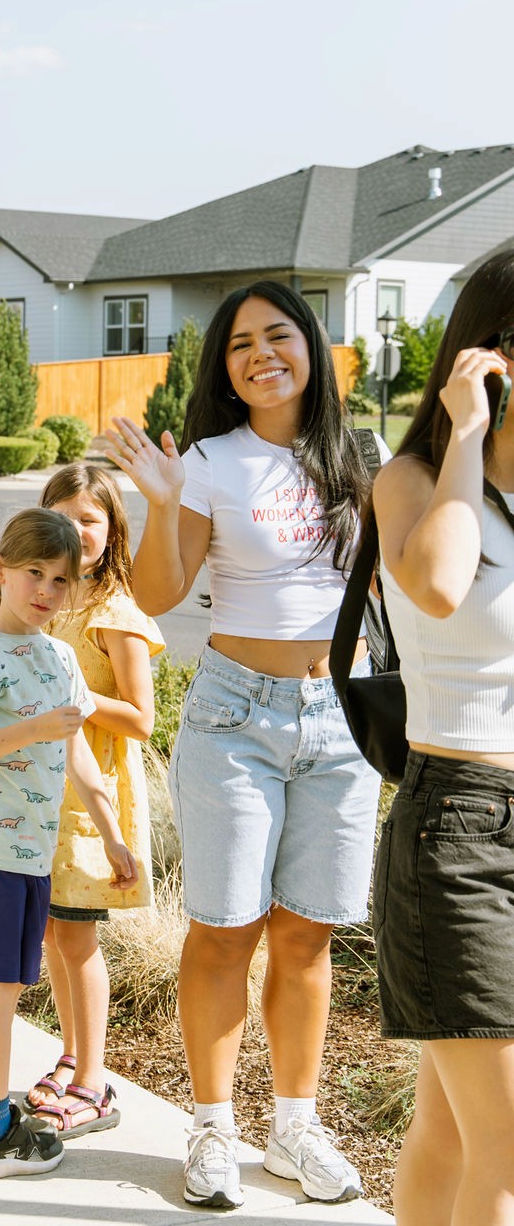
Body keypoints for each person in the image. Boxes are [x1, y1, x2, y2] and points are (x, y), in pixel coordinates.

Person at [107, 281, 381, 1208]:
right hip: (235, 718)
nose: (259, 355)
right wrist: (160, 499)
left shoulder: (361, 455)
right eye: (238, 346)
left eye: (277, 336)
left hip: (340, 719)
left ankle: (295, 1129)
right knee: (225, 931)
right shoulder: (212, 463)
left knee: (308, 935)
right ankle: (214, 1129)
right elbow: (157, 595)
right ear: (223, 369)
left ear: (311, 346)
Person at [0, 507, 137, 1179]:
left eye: (61, 579)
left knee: (9, 985)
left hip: (33, 859)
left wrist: (112, 836)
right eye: (33, 574)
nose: (46, 591)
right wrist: (31, 729)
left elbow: (78, 754)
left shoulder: (59, 657)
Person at [371, 249, 514, 1226]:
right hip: (456, 832)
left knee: (451, 1131)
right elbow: (434, 583)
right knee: (503, 1152)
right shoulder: (414, 477)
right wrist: (469, 432)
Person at [19, 462, 164, 1136]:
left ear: (112, 531)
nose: (75, 532)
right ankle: (73, 1053)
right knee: (54, 931)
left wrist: (74, 692)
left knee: (76, 937)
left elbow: (141, 717)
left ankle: (93, 1081)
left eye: (90, 519)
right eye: (63, 514)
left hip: (89, 799)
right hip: (38, 788)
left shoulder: (116, 613)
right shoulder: (45, 597)